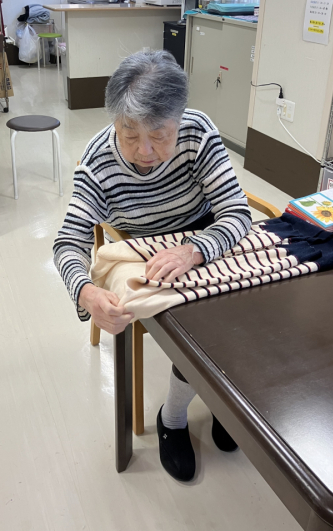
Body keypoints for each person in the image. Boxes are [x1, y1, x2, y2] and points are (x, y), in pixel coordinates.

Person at [54, 50, 252, 481]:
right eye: (130, 134)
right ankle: (173, 418)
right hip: (145, 253)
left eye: (160, 135)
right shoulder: (98, 162)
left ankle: (223, 399)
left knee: (249, 307)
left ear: (179, 120)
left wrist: (194, 250)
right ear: (115, 123)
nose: (144, 151)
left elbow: (236, 212)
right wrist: (86, 293)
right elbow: (67, 242)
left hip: (202, 242)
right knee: (202, 325)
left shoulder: (198, 133)